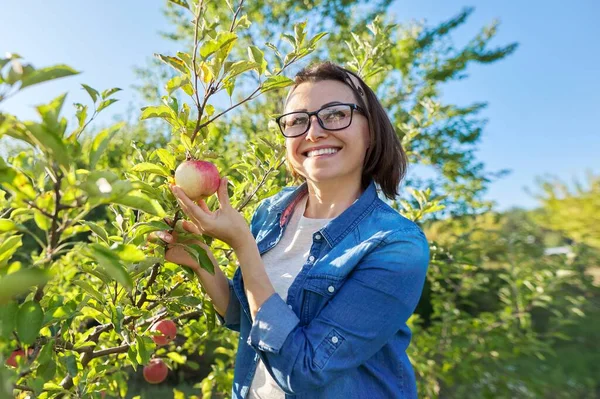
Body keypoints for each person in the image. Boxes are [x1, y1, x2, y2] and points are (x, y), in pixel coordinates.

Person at [156, 61, 430, 398]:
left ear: (370, 130)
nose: (313, 132)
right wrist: (201, 258)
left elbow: (307, 370)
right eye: (298, 121)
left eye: (335, 114)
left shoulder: (396, 245)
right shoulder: (272, 212)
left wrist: (243, 245)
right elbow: (247, 317)